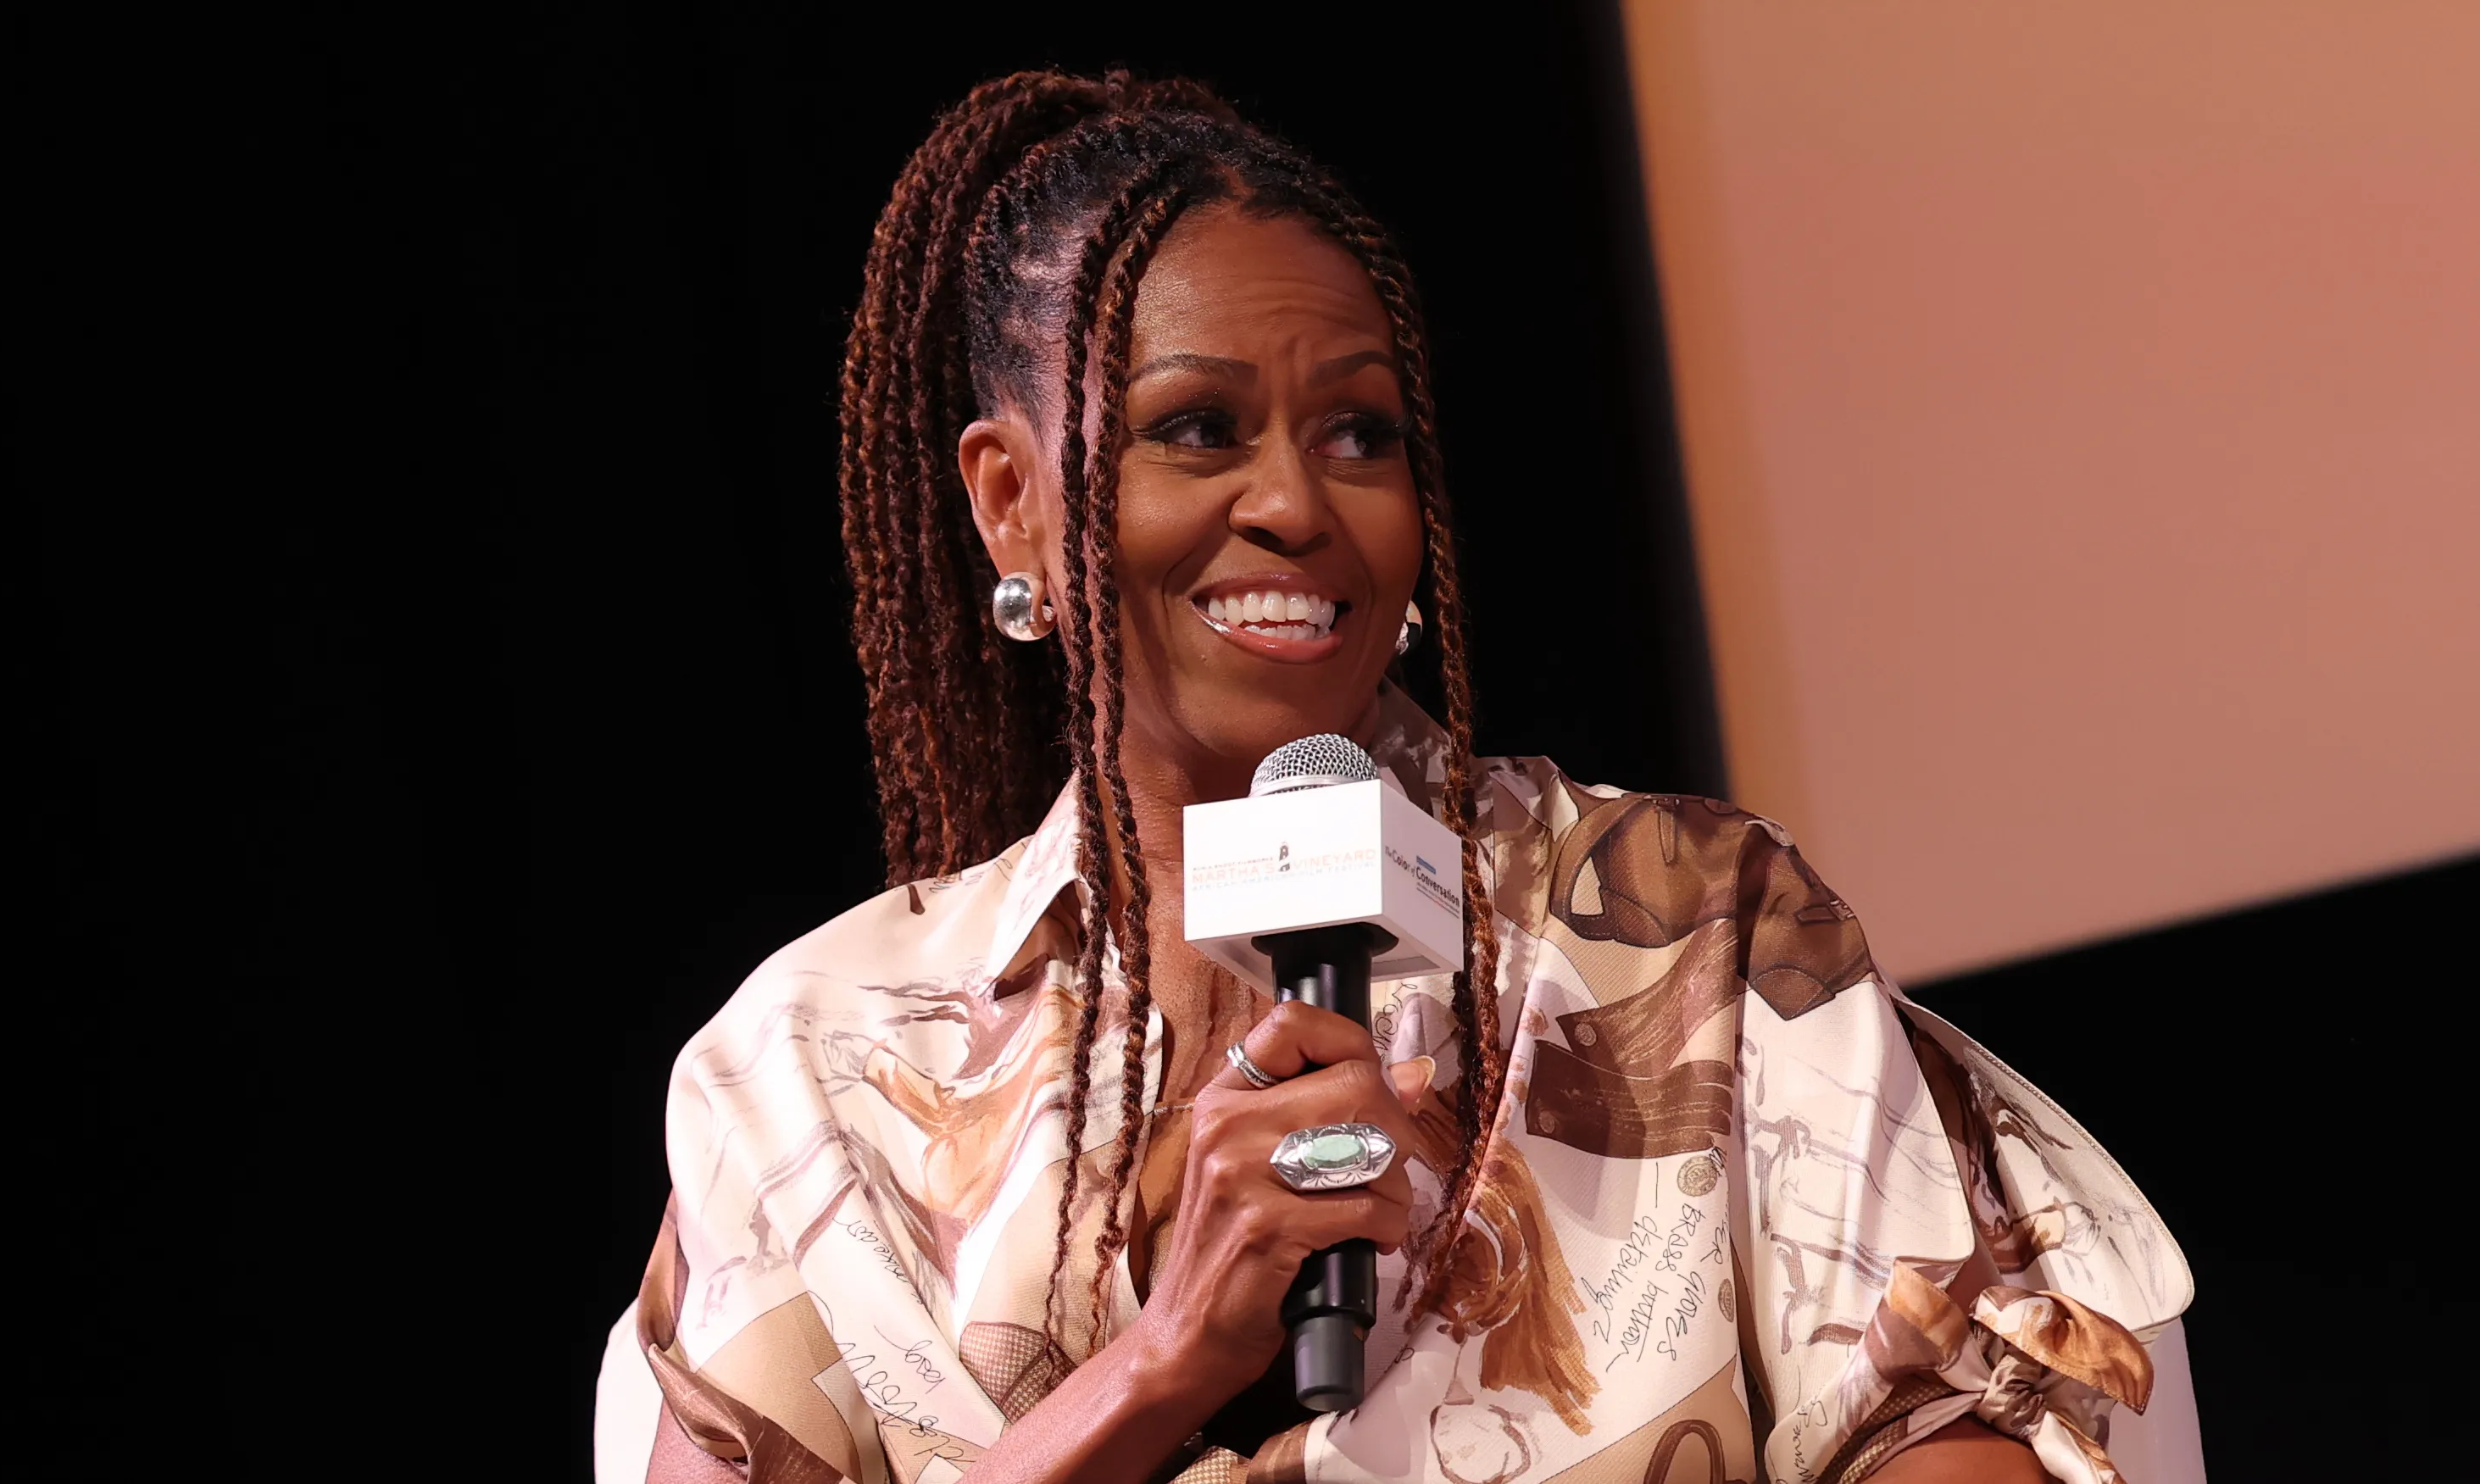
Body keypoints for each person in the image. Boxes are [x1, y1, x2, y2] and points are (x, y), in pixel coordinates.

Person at [633, 72, 2189, 1484]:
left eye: (1360, 434)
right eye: (1199, 430)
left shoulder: (1688, 931)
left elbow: (1959, 1441)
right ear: (1010, 505)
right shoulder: (804, 1077)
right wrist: (1157, 1367)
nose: (1297, 503)